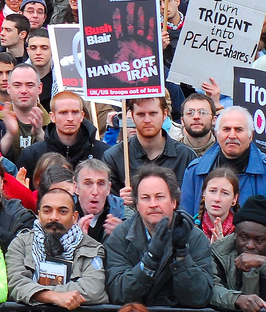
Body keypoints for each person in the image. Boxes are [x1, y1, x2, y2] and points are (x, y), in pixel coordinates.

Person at [104, 164, 214, 306]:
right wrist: (150, 260)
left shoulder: (194, 237)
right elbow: (119, 293)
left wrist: (181, 256)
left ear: (173, 202)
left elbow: (200, 297)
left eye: (160, 197)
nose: (153, 204)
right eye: (145, 198)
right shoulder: (120, 235)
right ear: (137, 205)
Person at [6, 187, 109, 307]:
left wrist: (35, 292)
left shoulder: (91, 248)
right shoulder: (20, 244)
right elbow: (15, 284)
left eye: (63, 211)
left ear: (75, 217)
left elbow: (93, 290)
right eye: (47, 211)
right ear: (39, 215)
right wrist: (54, 297)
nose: (54, 217)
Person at [182, 107, 266, 215]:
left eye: (239, 129)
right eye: (226, 129)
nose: (232, 136)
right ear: (217, 134)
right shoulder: (195, 171)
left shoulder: (264, 170)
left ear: (251, 136)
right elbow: (185, 220)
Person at [210, 193, 266, 311]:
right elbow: (209, 287)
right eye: (244, 237)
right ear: (235, 234)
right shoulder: (218, 252)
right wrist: (237, 299)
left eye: (258, 240)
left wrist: (262, 262)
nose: (250, 246)